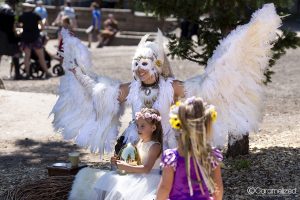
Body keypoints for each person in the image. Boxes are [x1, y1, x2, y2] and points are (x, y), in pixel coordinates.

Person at [52, 4, 280, 170]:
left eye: (145, 64)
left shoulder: (173, 87)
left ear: (157, 65)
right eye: (136, 64)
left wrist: (227, 62)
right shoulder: (129, 88)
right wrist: (78, 73)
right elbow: (97, 91)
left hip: (168, 143)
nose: (140, 69)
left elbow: (206, 89)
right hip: (136, 141)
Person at [69, 108, 163, 200]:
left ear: (153, 128)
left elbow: (146, 169)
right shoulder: (139, 142)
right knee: (108, 180)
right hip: (137, 175)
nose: (139, 128)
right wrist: (118, 161)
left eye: (142, 126)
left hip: (149, 180)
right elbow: (134, 161)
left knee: (121, 191)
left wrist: (126, 167)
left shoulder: (155, 146)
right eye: (137, 125)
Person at [156, 97, 223, 200]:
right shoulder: (212, 155)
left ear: (180, 126)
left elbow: (165, 188)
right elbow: (218, 188)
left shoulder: (172, 158)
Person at [19, 0, 52, 79]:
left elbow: (20, 26)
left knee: (27, 57)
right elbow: (42, 27)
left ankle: (27, 74)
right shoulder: (36, 16)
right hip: (35, 38)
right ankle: (47, 72)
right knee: (41, 56)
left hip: (26, 38)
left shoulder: (21, 16)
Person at [0, 0, 21, 80]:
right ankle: (17, 74)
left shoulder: (0, 8)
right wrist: (17, 34)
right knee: (15, 53)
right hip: (9, 37)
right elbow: (13, 27)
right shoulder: (10, 12)